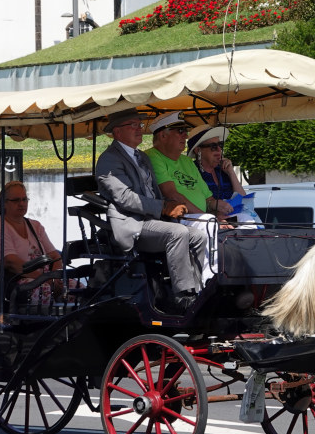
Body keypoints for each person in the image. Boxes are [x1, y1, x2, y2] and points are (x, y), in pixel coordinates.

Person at [95, 109, 206, 312]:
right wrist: (164, 207)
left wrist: (170, 206)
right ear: (117, 132)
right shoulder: (109, 161)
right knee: (178, 233)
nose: (140, 130)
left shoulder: (141, 157)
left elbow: (153, 191)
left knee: (198, 235)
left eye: (140, 125)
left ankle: (199, 290)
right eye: (134, 125)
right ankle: (183, 296)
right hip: (132, 224)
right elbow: (124, 197)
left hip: (154, 222)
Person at [144, 113, 220, 279]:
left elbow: (209, 199)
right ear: (163, 135)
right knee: (209, 222)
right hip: (175, 217)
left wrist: (222, 212)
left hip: (200, 215)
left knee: (244, 219)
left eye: (185, 131)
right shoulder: (152, 157)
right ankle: (209, 280)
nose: (185, 135)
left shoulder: (186, 161)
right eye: (180, 131)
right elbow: (172, 195)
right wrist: (205, 216)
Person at [0, 180, 64, 306]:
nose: (21, 204)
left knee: (76, 287)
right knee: (43, 290)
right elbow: (11, 262)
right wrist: (45, 280)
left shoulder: (35, 225)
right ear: (4, 203)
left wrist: (55, 277)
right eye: (16, 200)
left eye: (24, 199)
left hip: (46, 278)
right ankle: (42, 324)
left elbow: (55, 256)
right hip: (16, 280)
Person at [187, 126, 246, 223]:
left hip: (234, 221)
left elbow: (243, 199)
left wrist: (231, 173)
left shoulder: (223, 171)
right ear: (198, 150)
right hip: (207, 225)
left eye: (220, 145)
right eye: (213, 147)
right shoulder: (191, 172)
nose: (219, 150)